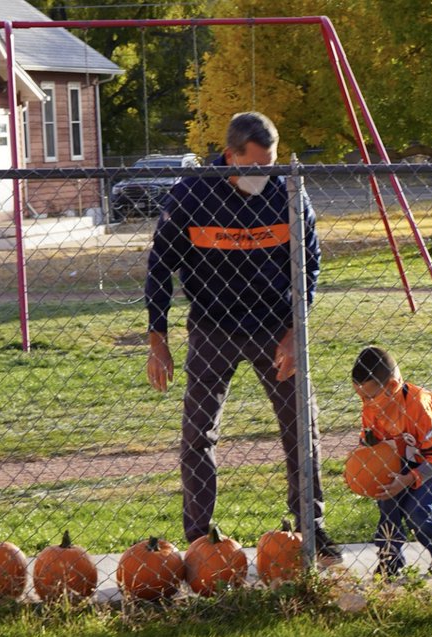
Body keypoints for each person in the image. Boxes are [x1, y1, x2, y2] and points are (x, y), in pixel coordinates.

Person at [144, 111, 342, 565]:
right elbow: (159, 267)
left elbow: (309, 267)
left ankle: (312, 530)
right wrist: (158, 337)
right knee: (198, 434)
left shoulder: (288, 192)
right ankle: (199, 540)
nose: (265, 175)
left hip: (276, 329)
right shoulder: (192, 195)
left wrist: (296, 331)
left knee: (300, 429)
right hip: (213, 326)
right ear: (230, 156)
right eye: (256, 166)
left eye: (271, 164)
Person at [351, 346, 432, 577]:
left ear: (391, 387)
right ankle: (390, 562)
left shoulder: (420, 404)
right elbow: (370, 449)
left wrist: (408, 480)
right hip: (400, 460)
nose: (365, 403)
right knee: (387, 505)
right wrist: (360, 473)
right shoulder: (371, 409)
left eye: (369, 396)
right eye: (360, 396)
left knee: (417, 512)